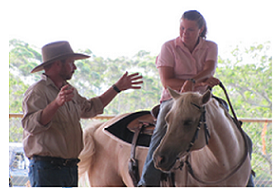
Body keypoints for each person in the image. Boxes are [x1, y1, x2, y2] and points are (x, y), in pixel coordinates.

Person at [21, 41, 143, 187]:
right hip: (47, 168)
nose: (75, 67)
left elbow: (90, 108)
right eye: (71, 62)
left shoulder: (69, 90)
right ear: (57, 64)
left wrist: (116, 88)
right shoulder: (37, 92)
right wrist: (56, 104)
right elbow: (30, 125)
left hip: (69, 168)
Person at [138, 10, 221, 186]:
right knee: (161, 131)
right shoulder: (168, 47)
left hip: (201, 100)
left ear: (201, 29)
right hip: (174, 99)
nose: (184, 33)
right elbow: (167, 82)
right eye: (182, 28)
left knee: (232, 128)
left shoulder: (210, 46)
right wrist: (192, 84)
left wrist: (192, 82)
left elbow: (209, 70)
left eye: (190, 29)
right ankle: (147, 182)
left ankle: (244, 178)